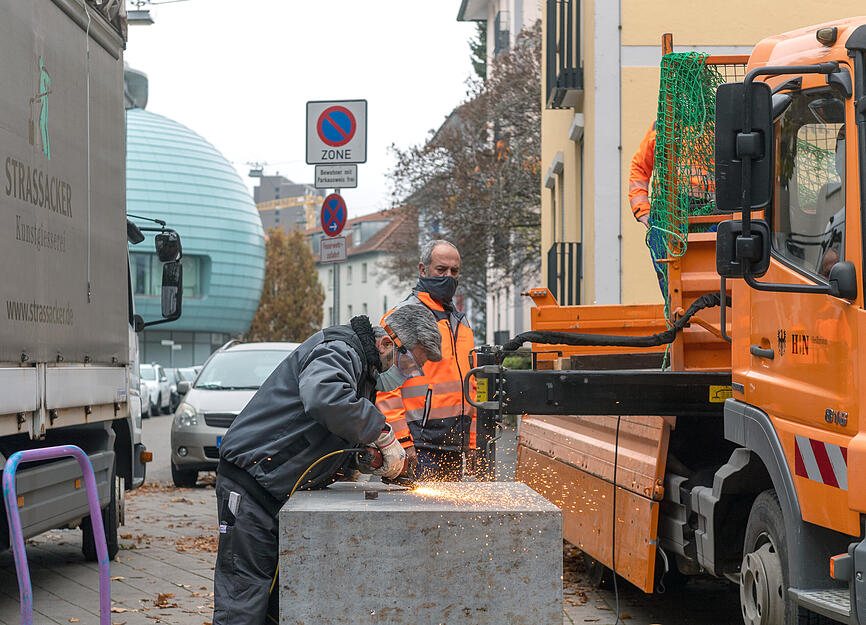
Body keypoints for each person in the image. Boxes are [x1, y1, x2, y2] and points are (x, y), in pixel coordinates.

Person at [213, 306, 442, 625]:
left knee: (275, 602)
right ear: (389, 343)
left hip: (276, 489)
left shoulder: (364, 369)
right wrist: (382, 432)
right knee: (243, 599)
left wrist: (366, 458)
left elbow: (328, 433)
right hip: (252, 485)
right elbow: (323, 398)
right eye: (410, 363)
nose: (409, 373)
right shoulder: (340, 349)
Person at [376, 240, 476, 481]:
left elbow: (472, 386)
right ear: (423, 269)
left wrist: (472, 443)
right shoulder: (402, 319)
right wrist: (401, 443)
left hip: (454, 444)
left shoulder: (461, 323)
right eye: (441, 270)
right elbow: (386, 390)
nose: (449, 277)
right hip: (417, 446)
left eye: (454, 271)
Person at [629, 122, 715, 296]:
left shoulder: (712, 123)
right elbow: (639, 168)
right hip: (667, 212)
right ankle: (677, 315)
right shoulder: (660, 125)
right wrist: (642, 210)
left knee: (705, 272)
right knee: (668, 273)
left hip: (704, 211)